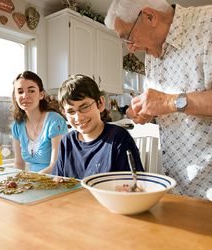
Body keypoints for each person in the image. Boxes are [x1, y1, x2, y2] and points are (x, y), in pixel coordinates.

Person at [105, 0, 212, 200]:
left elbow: (169, 102)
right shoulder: (152, 55)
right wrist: (147, 112)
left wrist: (167, 102)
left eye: (128, 38)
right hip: (178, 186)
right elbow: (167, 108)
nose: (130, 49)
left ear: (149, 16)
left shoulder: (208, 23)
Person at [52, 74, 143, 179]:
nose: (78, 118)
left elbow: (135, 185)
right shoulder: (67, 142)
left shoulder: (119, 139)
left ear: (100, 104)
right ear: (64, 113)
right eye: (71, 111)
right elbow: (58, 182)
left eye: (85, 107)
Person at [11, 71, 68, 173]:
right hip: (33, 183)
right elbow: (19, 163)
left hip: (54, 181)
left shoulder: (55, 121)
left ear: (41, 95)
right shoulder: (17, 125)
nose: (25, 96)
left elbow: (55, 165)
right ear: (15, 96)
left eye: (31, 91)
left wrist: (32, 180)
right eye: (20, 92)